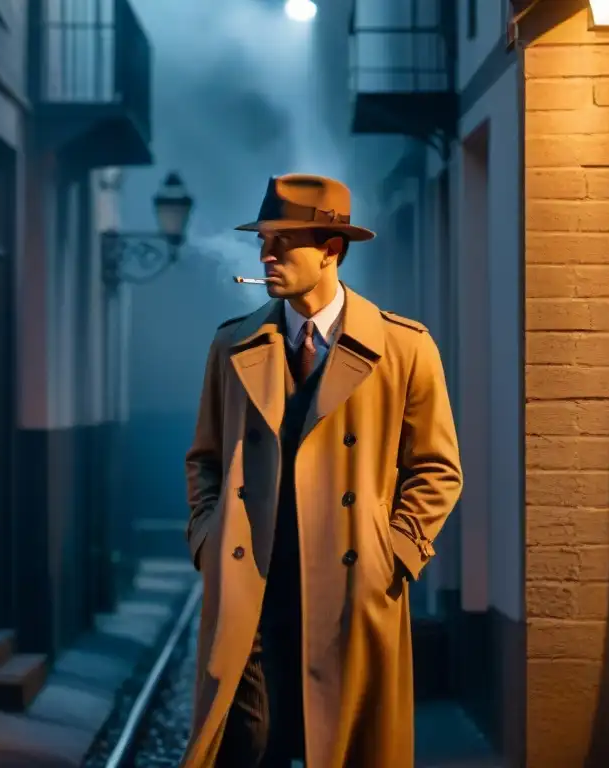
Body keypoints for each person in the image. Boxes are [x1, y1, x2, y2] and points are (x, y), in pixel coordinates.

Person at [181, 174, 463, 768]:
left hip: (349, 592)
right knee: (247, 747)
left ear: (331, 250)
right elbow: (204, 460)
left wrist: (396, 552)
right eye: (263, 241)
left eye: (282, 242)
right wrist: (208, 538)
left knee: (340, 745)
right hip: (249, 591)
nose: (265, 255)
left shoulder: (404, 349)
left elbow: (437, 468)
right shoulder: (233, 346)